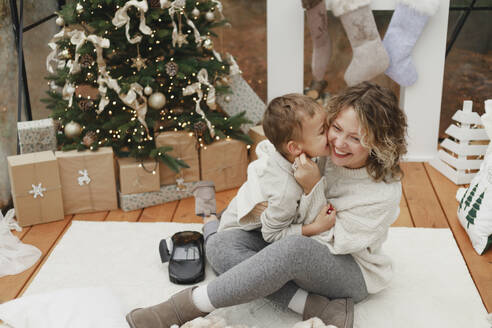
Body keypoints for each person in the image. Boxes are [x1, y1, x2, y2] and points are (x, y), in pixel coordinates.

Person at [125, 81, 408, 328]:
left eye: (355, 138)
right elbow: (272, 173)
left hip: (350, 271)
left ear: (379, 144)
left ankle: (178, 309)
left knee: (293, 249)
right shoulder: (320, 147)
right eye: (335, 127)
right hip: (298, 243)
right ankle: (315, 307)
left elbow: (330, 240)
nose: (338, 142)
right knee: (221, 246)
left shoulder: (382, 192)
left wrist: (312, 187)